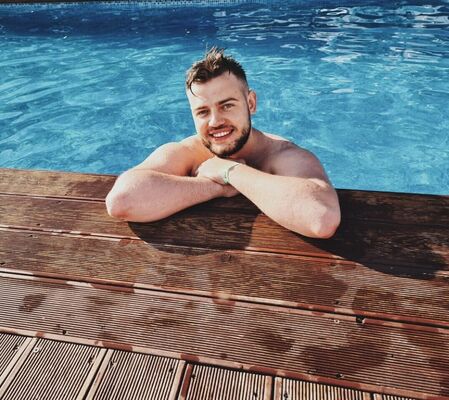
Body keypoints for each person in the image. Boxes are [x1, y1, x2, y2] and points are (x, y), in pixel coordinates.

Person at [106, 47, 340, 238]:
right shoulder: (189, 152)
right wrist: (216, 188)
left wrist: (230, 171)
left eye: (227, 105)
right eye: (202, 112)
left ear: (251, 103)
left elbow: (321, 219)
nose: (215, 121)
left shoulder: (282, 155)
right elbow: (122, 201)